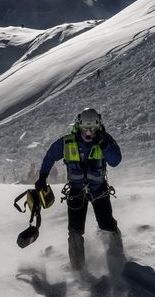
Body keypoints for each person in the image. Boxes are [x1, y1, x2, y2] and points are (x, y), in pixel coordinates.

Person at [35, 108, 124, 276]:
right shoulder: (67, 142)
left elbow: (116, 161)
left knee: (106, 224)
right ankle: (78, 271)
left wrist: (104, 145)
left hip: (99, 190)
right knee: (75, 231)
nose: (89, 133)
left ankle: (117, 250)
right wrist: (42, 177)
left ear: (98, 126)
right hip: (76, 191)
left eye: (92, 129)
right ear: (79, 126)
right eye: (85, 129)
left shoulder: (105, 140)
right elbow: (50, 156)